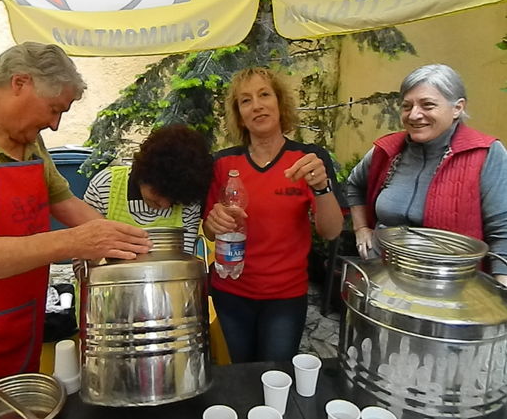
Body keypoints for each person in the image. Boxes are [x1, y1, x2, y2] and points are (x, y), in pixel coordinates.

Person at [0, 42, 152, 384]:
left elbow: (64, 203)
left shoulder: (28, 141)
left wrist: (132, 248)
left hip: (22, 315)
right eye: (53, 109)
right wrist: (72, 243)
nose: (54, 125)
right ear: (20, 83)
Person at [202, 67, 344, 363]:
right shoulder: (223, 163)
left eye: (264, 95)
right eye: (245, 100)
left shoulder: (308, 160)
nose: (257, 105)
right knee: (239, 375)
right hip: (231, 291)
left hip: (285, 297)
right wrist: (213, 222)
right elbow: (211, 229)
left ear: (280, 103)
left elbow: (331, 231)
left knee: (275, 376)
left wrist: (321, 187)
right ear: (239, 115)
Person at [346, 63, 507, 286]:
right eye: (406, 106)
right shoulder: (387, 150)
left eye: (427, 105)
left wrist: (501, 292)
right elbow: (354, 184)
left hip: (449, 290)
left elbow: (503, 229)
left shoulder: (485, 153)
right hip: (382, 278)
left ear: (457, 108)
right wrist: (361, 228)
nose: (414, 115)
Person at [84, 124, 214, 254]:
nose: (164, 204)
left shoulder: (188, 204)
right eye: (159, 192)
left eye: (174, 199)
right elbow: (82, 261)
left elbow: (185, 259)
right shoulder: (103, 186)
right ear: (143, 173)